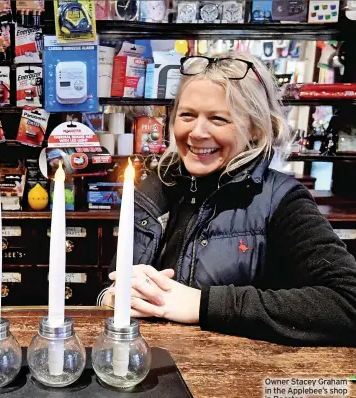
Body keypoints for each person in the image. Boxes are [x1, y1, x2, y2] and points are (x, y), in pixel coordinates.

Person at [98, 52, 356, 346]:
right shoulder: (152, 188)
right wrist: (111, 296)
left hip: (238, 379)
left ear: (257, 128)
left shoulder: (281, 199)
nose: (197, 132)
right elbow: (112, 283)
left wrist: (203, 304)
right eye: (187, 115)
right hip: (150, 368)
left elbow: (348, 302)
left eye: (218, 119)